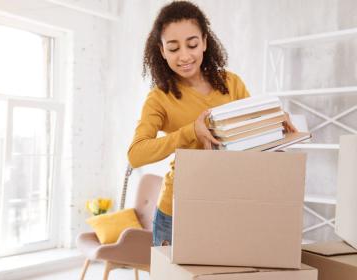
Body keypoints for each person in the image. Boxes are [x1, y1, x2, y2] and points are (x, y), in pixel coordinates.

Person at [127, 1, 297, 247]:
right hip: (177, 209)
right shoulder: (159, 98)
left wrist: (275, 124)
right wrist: (190, 132)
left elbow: (253, 139)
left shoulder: (231, 83)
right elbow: (135, 155)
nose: (184, 56)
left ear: (205, 42)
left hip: (229, 202)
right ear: (162, 51)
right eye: (173, 48)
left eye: (192, 44)